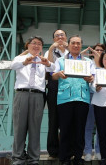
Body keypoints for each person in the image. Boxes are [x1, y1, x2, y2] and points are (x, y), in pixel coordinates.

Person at [11, 36, 55, 165]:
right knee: (19, 127)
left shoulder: (43, 60)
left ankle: (33, 158)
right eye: (34, 43)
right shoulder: (20, 58)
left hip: (38, 95)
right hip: (22, 94)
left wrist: (47, 63)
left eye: (39, 44)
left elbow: (53, 68)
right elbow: (13, 65)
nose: (36, 46)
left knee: (35, 128)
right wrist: (26, 61)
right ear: (28, 45)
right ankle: (18, 157)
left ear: (42, 47)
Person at [52, 35, 95, 165]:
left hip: (82, 98)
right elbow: (53, 76)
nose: (76, 45)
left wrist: (90, 79)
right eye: (73, 43)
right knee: (65, 129)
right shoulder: (60, 60)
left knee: (80, 129)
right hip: (65, 99)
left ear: (81, 45)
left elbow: (92, 77)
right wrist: (58, 74)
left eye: (78, 43)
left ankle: (78, 157)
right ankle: (64, 157)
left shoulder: (88, 61)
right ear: (68, 45)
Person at [44, 29, 69, 159]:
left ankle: (67, 149)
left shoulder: (71, 51)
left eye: (62, 35)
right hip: (54, 85)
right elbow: (49, 68)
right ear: (54, 39)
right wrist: (50, 50)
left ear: (66, 37)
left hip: (70, 86)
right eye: (57, 36)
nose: (60, 37)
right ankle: (53, 150)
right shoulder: (49, 52)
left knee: (68, 120)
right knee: (53, 120)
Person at [81, 43, 106, 161]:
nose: (99, 52)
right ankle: (87, 151)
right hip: (90, 95)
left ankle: (99, 150)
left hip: (103, 97)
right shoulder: (88, 63)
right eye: (97, 50)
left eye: (101, 50)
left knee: (101, 125)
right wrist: (81, 55)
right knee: (89, 125)